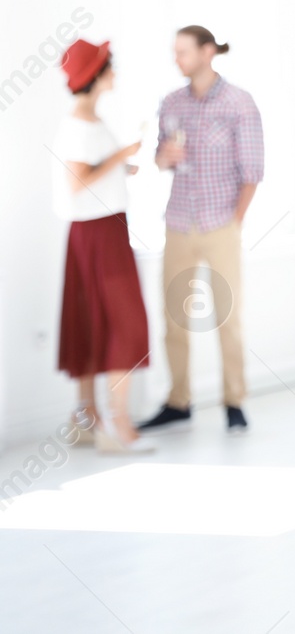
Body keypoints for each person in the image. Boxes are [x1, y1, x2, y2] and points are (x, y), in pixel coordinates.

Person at [139, 26, 263, 435]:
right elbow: (160, 160)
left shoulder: (238, 103)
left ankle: (234, 401)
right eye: (174, 52)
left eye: (184, 52)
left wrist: (234, 222)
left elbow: (252, 172)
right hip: (178, 222)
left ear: (207, 52)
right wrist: (163, 157)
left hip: (220, 224)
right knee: (174, 315)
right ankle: (179, 401)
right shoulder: (171, 102)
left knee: (228, 317)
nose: (177, 59)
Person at [52, 40, 153, 455]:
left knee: (92, 320)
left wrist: (119, 164)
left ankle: (90, 419)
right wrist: (119, 157)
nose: (115, 73)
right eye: (110, 67)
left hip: (98, 230)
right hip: (98, 234)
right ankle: (118, 424)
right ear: (95, 75)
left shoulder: (91, 121)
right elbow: (76, 181)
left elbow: (91, 173)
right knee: (123, 323)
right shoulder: (78, 125)